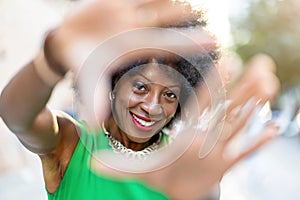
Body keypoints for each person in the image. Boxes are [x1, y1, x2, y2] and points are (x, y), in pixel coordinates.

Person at [0, 0, 280, 199]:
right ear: (113, 83)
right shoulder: (70, 143)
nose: (152, 106)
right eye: (141, 87)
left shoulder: (186, 160)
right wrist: (53, 56)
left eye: (170, 94)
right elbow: (16, 115)